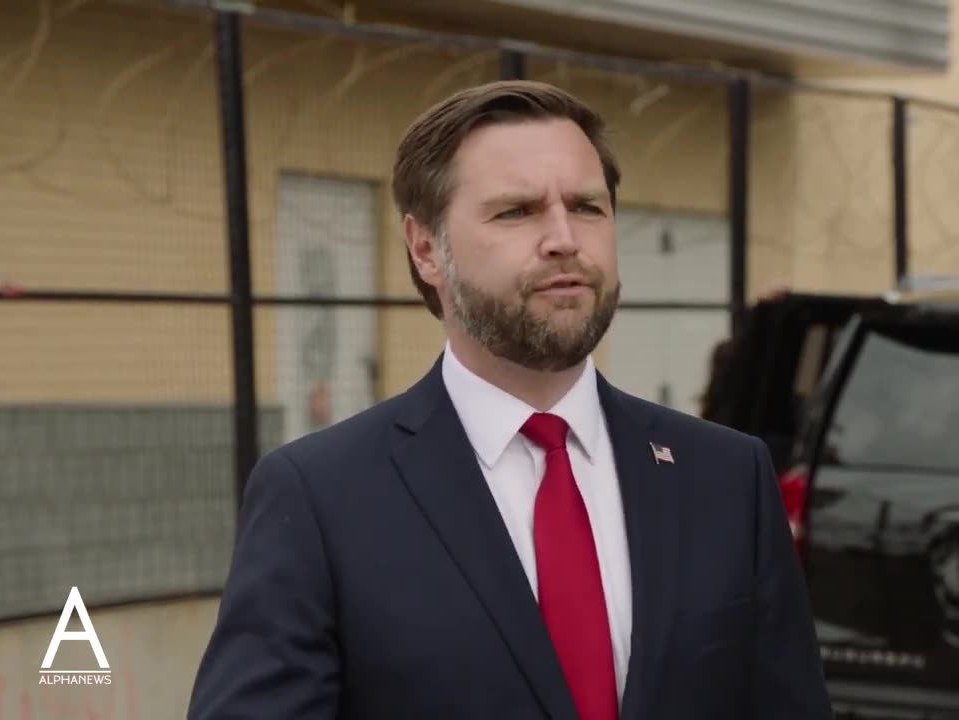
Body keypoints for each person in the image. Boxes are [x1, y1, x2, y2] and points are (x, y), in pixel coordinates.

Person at [187, 80, 832, 720]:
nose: (563, 238)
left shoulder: (726, 476)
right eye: (516, 211)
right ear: (424, 249)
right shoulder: (321, 497)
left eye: (586, 206)